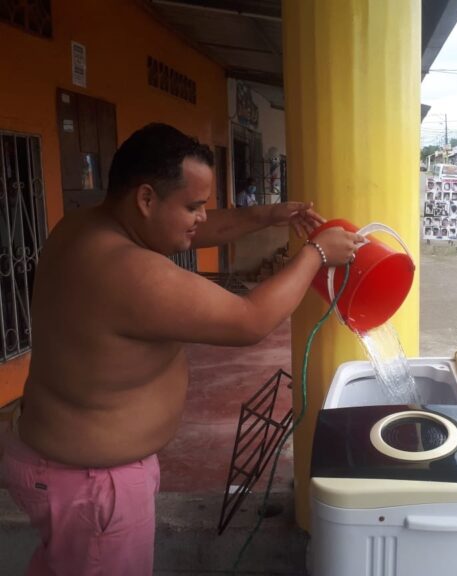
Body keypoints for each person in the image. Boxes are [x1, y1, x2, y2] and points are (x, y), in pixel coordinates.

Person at [0, 123, 363, 576]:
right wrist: (315, 254)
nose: (200, 218)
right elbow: (249, 320)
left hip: (61, 467)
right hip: (91, 487)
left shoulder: (83, 226)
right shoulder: (127, 270)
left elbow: (200, 228)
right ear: (146, 199)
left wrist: (272, 214)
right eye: (193, 206)